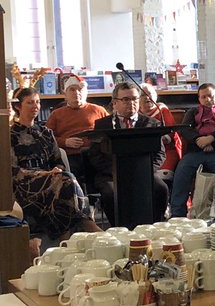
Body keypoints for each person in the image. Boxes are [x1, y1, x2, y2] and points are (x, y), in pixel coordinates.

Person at [10, 87, 101, 241]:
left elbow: (58, 162)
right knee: (65, 180)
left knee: (63, 181)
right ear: (18, 106)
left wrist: (56, 169)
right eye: (30, 103)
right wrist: (46, 174)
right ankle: (87, 223)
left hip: (52, 180)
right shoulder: (10, 134)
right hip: (23, 184)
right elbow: (13, 170)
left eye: (38, 102)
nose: (36, 106)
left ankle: (65, 242)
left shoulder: (46, 132)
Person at [85, 82, 170, 226]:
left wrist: (146, 170)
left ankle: (155, 225)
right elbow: (95, 155)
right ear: (115, 103)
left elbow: (160, 154)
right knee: (110, 194)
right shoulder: (103, 125)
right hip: (111, 174)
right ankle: (118, 227)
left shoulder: (151, 124)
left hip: (144, 172)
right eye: (126, 99)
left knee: (160, 189)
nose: (131, 103)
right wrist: (115, 171)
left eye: (135, 99)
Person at [169, 83, 215, 218]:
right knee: (182, 170)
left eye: (211, 96)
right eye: (203, 97)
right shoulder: (192, 112)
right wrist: (199, 140)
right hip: (196, 151)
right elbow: (184, 129)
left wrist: (212, 138)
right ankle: (177, 214)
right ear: (199, 99)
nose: (207, 100)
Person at [45, 74, 108, 189]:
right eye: (72, 89)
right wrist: (65, 142)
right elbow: (46, 139)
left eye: (80, 89)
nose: (76, 93)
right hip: (70, 156)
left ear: (86, 92)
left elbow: (110, 133)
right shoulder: (56, 114)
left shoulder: (99, 111)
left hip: (96, 154)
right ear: (65, 94)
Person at [137, 82, 182, 175]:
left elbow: (169, 135)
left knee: (162, 176)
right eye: (142, 95)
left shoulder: (162, 110)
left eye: (149, 94)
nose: (147, 97)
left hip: (165, 150)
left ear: (155, 96)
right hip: (143, 152)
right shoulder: (135, 114)